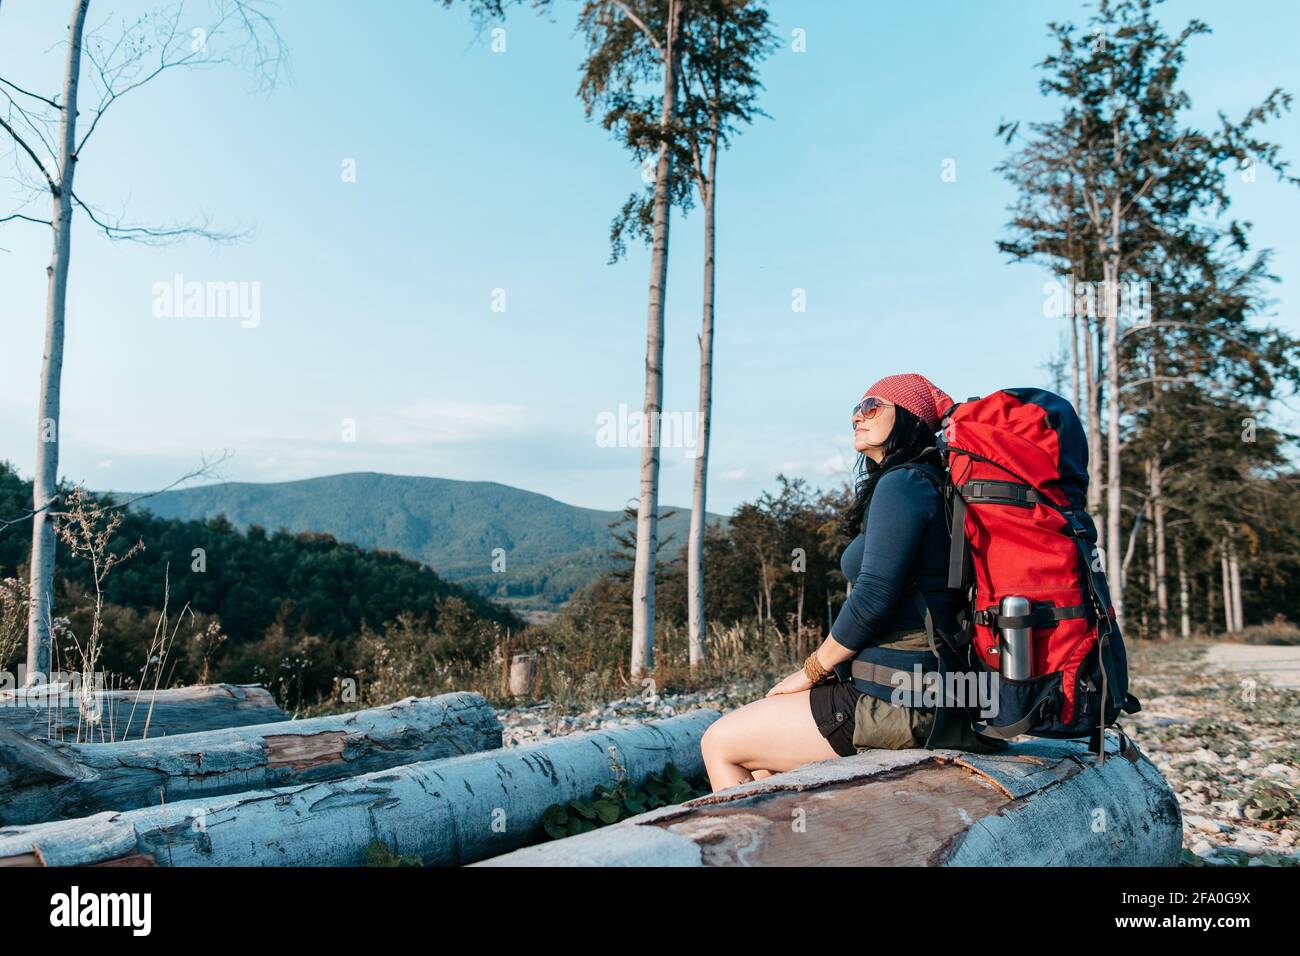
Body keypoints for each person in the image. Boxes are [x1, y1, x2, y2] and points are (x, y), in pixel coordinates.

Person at [700, 372, 1004, 793]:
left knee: (719, 741)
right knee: (767, 768)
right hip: (928, 690)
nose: (857, 418)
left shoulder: (905, 483)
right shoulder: (931, 484)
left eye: (872, 406)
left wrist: (810, 671)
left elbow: (873, 597)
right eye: (855, 410)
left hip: (898, 699)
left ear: (910, 416)